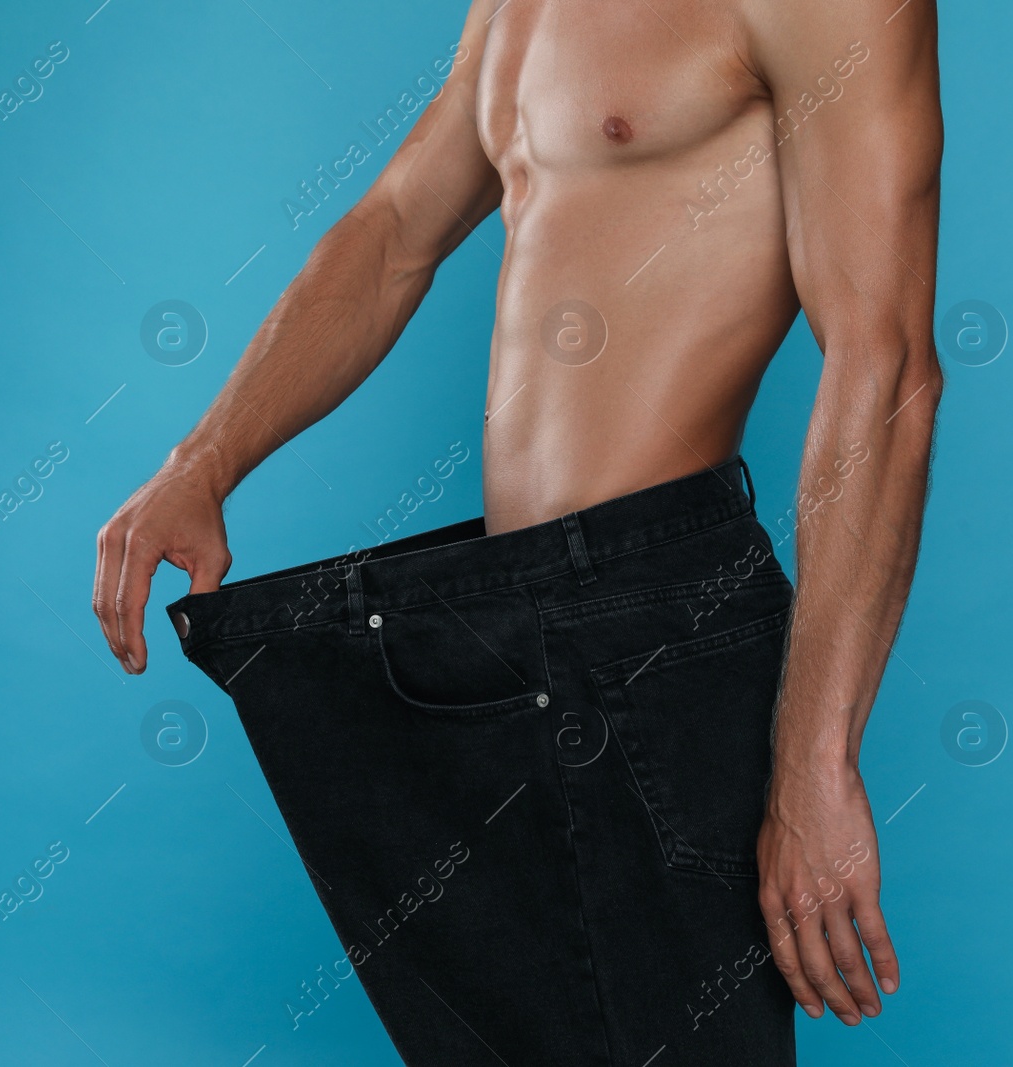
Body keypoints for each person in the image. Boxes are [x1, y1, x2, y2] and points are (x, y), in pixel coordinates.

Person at [96, 0, 942, 1061]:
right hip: (505, 623)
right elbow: (399, 225)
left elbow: (887, 367)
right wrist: (204, 459)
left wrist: (819, 759)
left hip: (659, 623)